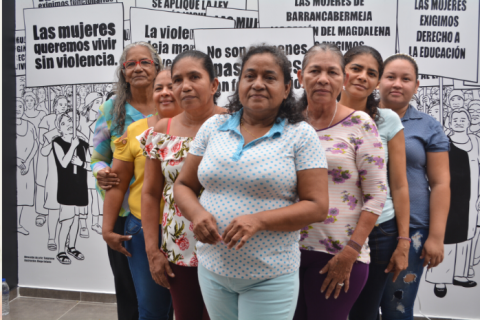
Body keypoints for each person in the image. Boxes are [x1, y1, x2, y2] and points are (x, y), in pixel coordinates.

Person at [172, 45, 329, 320]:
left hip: (270, 274)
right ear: (239, 83)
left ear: (286, 88)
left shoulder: (301, 135)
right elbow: (183, 185)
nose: (258, 84)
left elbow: (316, 207)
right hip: (213, 268)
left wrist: (259, 221)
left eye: (269, 77)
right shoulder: (213, 127)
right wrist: (197, 214)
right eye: (250, 76)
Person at [293, 43, 387, 320]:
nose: (323, 78)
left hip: (339, 254)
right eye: (315, 71)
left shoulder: (360, 123)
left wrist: (351, 252)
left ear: (342, 79)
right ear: (300, 77)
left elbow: (377, 195)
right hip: (285, 252)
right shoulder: (288, 125)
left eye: (331, 71)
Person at [138, 50, 224, 320]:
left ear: (214, 85)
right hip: (179, 246)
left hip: (226, 246)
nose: (184, 86)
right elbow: (151, 193)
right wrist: (153, 251)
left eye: (194, 77)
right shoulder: (162, 130)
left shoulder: (237, 124)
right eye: (177, 80)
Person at [335, 46, 410, 320]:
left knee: (365, 312)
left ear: (378, 82)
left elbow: (400, 185)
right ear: (342, 71)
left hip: (380, 232)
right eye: (356, 68)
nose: (362, 76)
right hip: (328, 230)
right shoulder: (318, 114)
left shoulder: (388, 120)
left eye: (371, 73)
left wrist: (404, 241)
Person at [103, 69, 182, 320]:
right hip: (145, 229)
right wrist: (107, 229)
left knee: (188, 308)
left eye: (172, 86)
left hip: (188, 230)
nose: (165, 93)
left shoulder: (203, 128)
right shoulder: (136, 132)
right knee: (151, 310)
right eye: (159, 88)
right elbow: (118, 182)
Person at [91, 41, 161, 320]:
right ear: (123, 72)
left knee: (165, 289)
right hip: (124, 215)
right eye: (130, 64)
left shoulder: (171, 103)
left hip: (166, 213)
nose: (138, 68)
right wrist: (101, 172)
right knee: (129, 287)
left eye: (145, 62)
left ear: (157, 67)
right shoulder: (111, 109)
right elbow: (98, 156)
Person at [378, 54, 450, 319]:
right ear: (378, 81)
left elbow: (441, 183)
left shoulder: (428, 126)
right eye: (390, 77)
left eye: (405, 79)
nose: (397, 84)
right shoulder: (359, 118)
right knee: (360, 309)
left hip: (415, 231)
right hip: (367, 227)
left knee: (398, 308)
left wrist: (436, 237)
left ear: (416, 85)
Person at [425, 109, 480, 294]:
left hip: (471, 196)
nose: (459, 122)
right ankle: (439, 279)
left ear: (468, 121)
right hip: (448, 195)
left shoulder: (476, 141)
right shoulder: (443, 142)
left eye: (462, 118)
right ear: (449, 121)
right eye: (455, 119)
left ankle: (461, 275)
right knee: (447, 235)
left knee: (468, 235)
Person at [52, 110, 89, 265]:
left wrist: (81, 163)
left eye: (71, 122)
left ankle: (71, 247)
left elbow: (92, 166)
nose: (68, 125)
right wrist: (72, 146)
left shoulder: (84, 143)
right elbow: (64, 163)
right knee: (67, 219)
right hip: (66, 187)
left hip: (81, 186)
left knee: (76, 220)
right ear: (59, 127)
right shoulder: (57, 142)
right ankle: (61, 250)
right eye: (64, 123)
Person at [17, 98, 38, 236]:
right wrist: (18, 161)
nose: (18, 108)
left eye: (20, 106)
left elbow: (35, 144)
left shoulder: (30, 125)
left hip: (27, 167)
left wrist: (28, 161)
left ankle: (19, 223)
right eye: (16, 106)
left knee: (24, 197)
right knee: (15, 196)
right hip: (13, 169)